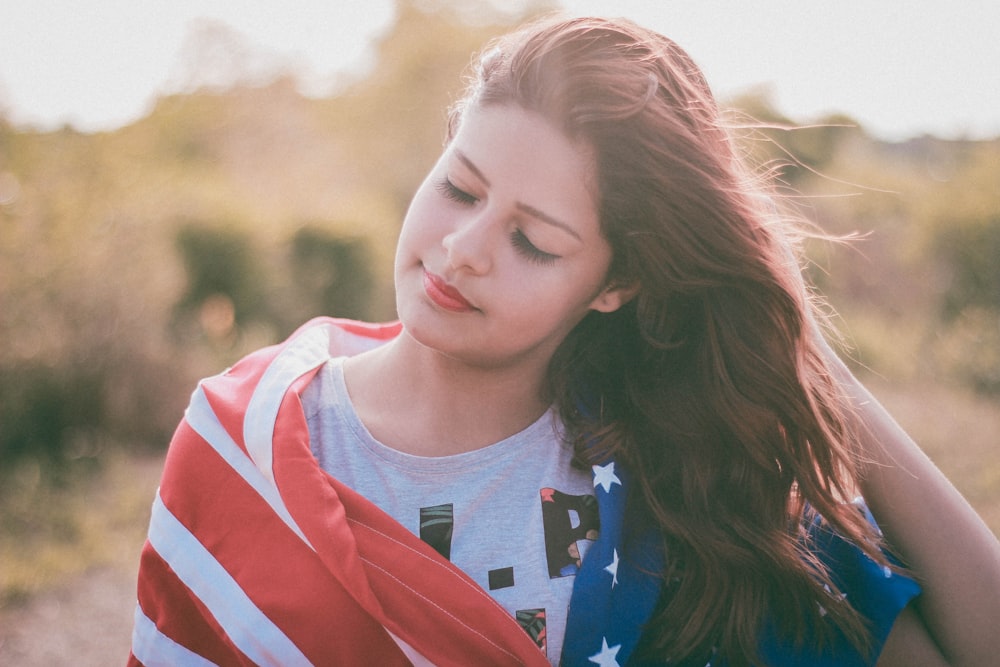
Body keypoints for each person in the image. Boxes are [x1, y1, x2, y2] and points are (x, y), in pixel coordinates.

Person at [129, 14, 1000, 667]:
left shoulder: (684, 477)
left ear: (617, 285)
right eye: (461, 188)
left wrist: (794, 342)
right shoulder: (237, 440)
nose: (462, 251)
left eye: (533, 241)